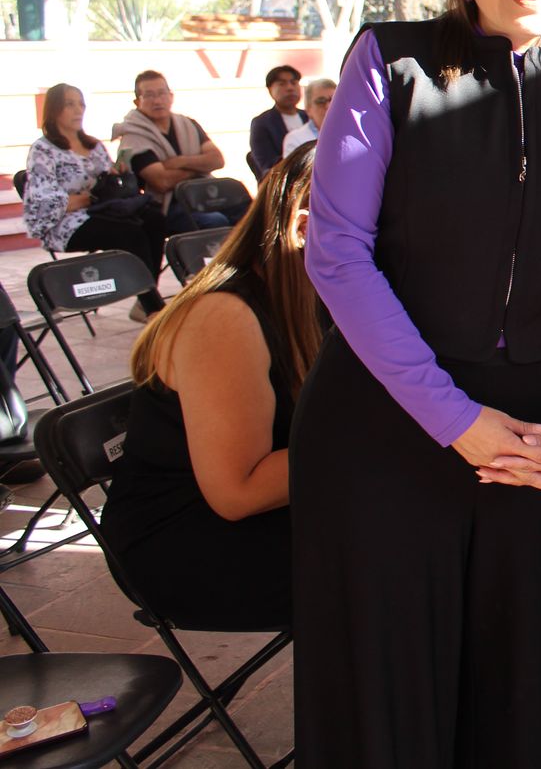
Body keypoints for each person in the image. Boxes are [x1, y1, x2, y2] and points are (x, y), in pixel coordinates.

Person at [291, 0, 541, 768]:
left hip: (540, 446)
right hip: (385, 436)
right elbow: (337, 256)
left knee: (532, 710)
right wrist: (456, 419)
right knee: (385, 716)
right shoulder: (389, 62)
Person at [99, 142, 320, 630]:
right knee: (415, 549)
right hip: (186, 542)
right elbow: (236, 493)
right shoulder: (224, 316)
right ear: (303, 229)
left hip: (269, 510)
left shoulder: (314, 295)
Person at [21, 84, 166, 315]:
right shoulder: (43, 150)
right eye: (70, 104)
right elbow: (44, 202)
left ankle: (146, 297)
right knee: (129, 233)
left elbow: (108, 187)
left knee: (155, 220)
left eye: (81, 104)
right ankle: (153, 308)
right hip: (67, 223)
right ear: (55, 109)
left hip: (103, 210)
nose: (78, 110)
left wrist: (117, 175)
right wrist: (89, 198)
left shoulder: (94, 145)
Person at [118, 71, 243, 234]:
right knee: (215, 221)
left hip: (206, 193)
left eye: (162, 93)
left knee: (250, 213)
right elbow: (162, 182)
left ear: (171, 96)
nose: (157, 100)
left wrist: (180, 162)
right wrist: (198, 166)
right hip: (169, 205)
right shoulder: (133, 135)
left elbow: (217, 160)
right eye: (149, 95)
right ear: (137, 101)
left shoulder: (187, 124)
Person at [248, 65, 308, 173]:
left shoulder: (309, 116)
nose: (290, 88)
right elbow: (267, 165)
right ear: (270, 90)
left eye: (294, 83)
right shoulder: (261, 123)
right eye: (282, 84)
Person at [281, 77, 334, 156]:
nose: (328, 106)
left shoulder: (351, 131)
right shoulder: (295, 139)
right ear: (308, 109)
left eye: (333, 100)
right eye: (321, 101)